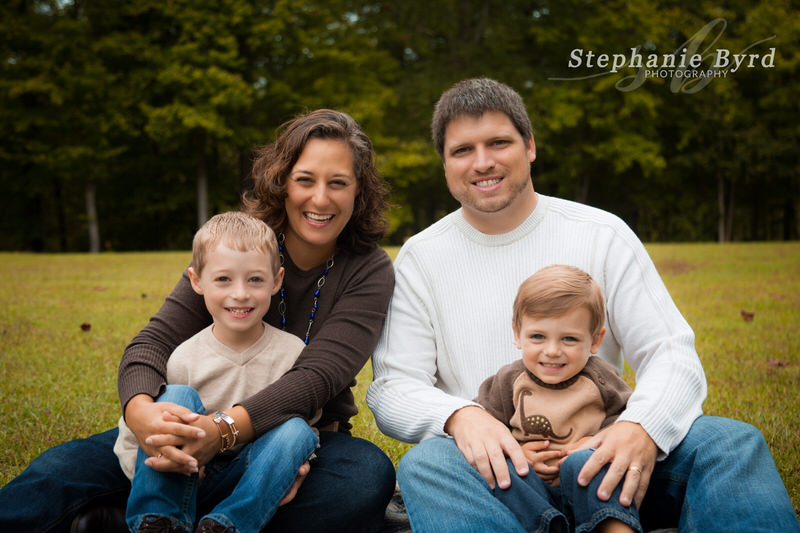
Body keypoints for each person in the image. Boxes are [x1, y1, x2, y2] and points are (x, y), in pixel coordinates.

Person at [366, 77, 799, 533]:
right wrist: (462, 417)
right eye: (462, 150)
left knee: (729, 441)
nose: (483, 162)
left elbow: (671, 352)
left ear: (530, 146)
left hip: (608, 466)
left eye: (499, 142)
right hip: (496, 474)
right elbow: (393, 387)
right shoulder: (422, 256)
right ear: (444, 162)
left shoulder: (600, 233)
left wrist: (640, 428)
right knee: (428, 465)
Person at [0, 109, 396, 533]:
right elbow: (150, 345)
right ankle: (176, 511)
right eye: (305, 180)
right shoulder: (240, 246)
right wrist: (143, 418)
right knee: (59, 471)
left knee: (363, 477)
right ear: (282, 182)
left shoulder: (368, 269)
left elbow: (315, 378)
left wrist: (221, 433)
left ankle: (148, 518)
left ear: (359, 190)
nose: (320, 198)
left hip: (288, 443)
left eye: (338, 182)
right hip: (188, 429)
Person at [114, 211, 319, 532]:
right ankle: (158, 521)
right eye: (223, 279)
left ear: (277, 281)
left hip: (251, 480)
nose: (240, 293)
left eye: (255, 279)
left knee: (297, 430)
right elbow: (136, 438)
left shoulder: (293, 353)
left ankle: (228, 525)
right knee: (176, 397)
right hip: (183, 476)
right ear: (196, 281)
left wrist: (296, 465)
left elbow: (302, 433)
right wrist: (164, 463)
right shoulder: (183, 358)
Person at [476, 265, 638, 533]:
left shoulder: (601, 379)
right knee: (504, 474)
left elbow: (627, 421)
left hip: (588, 485)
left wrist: (598, 442)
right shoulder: (509, 381)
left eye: (569, 339)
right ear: (518, 334)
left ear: (595, 340)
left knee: (594, 465)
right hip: (532, 492)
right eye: (538, 336)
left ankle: (614, 526)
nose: (552, 351)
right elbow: (485, 427)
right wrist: (516, 453)